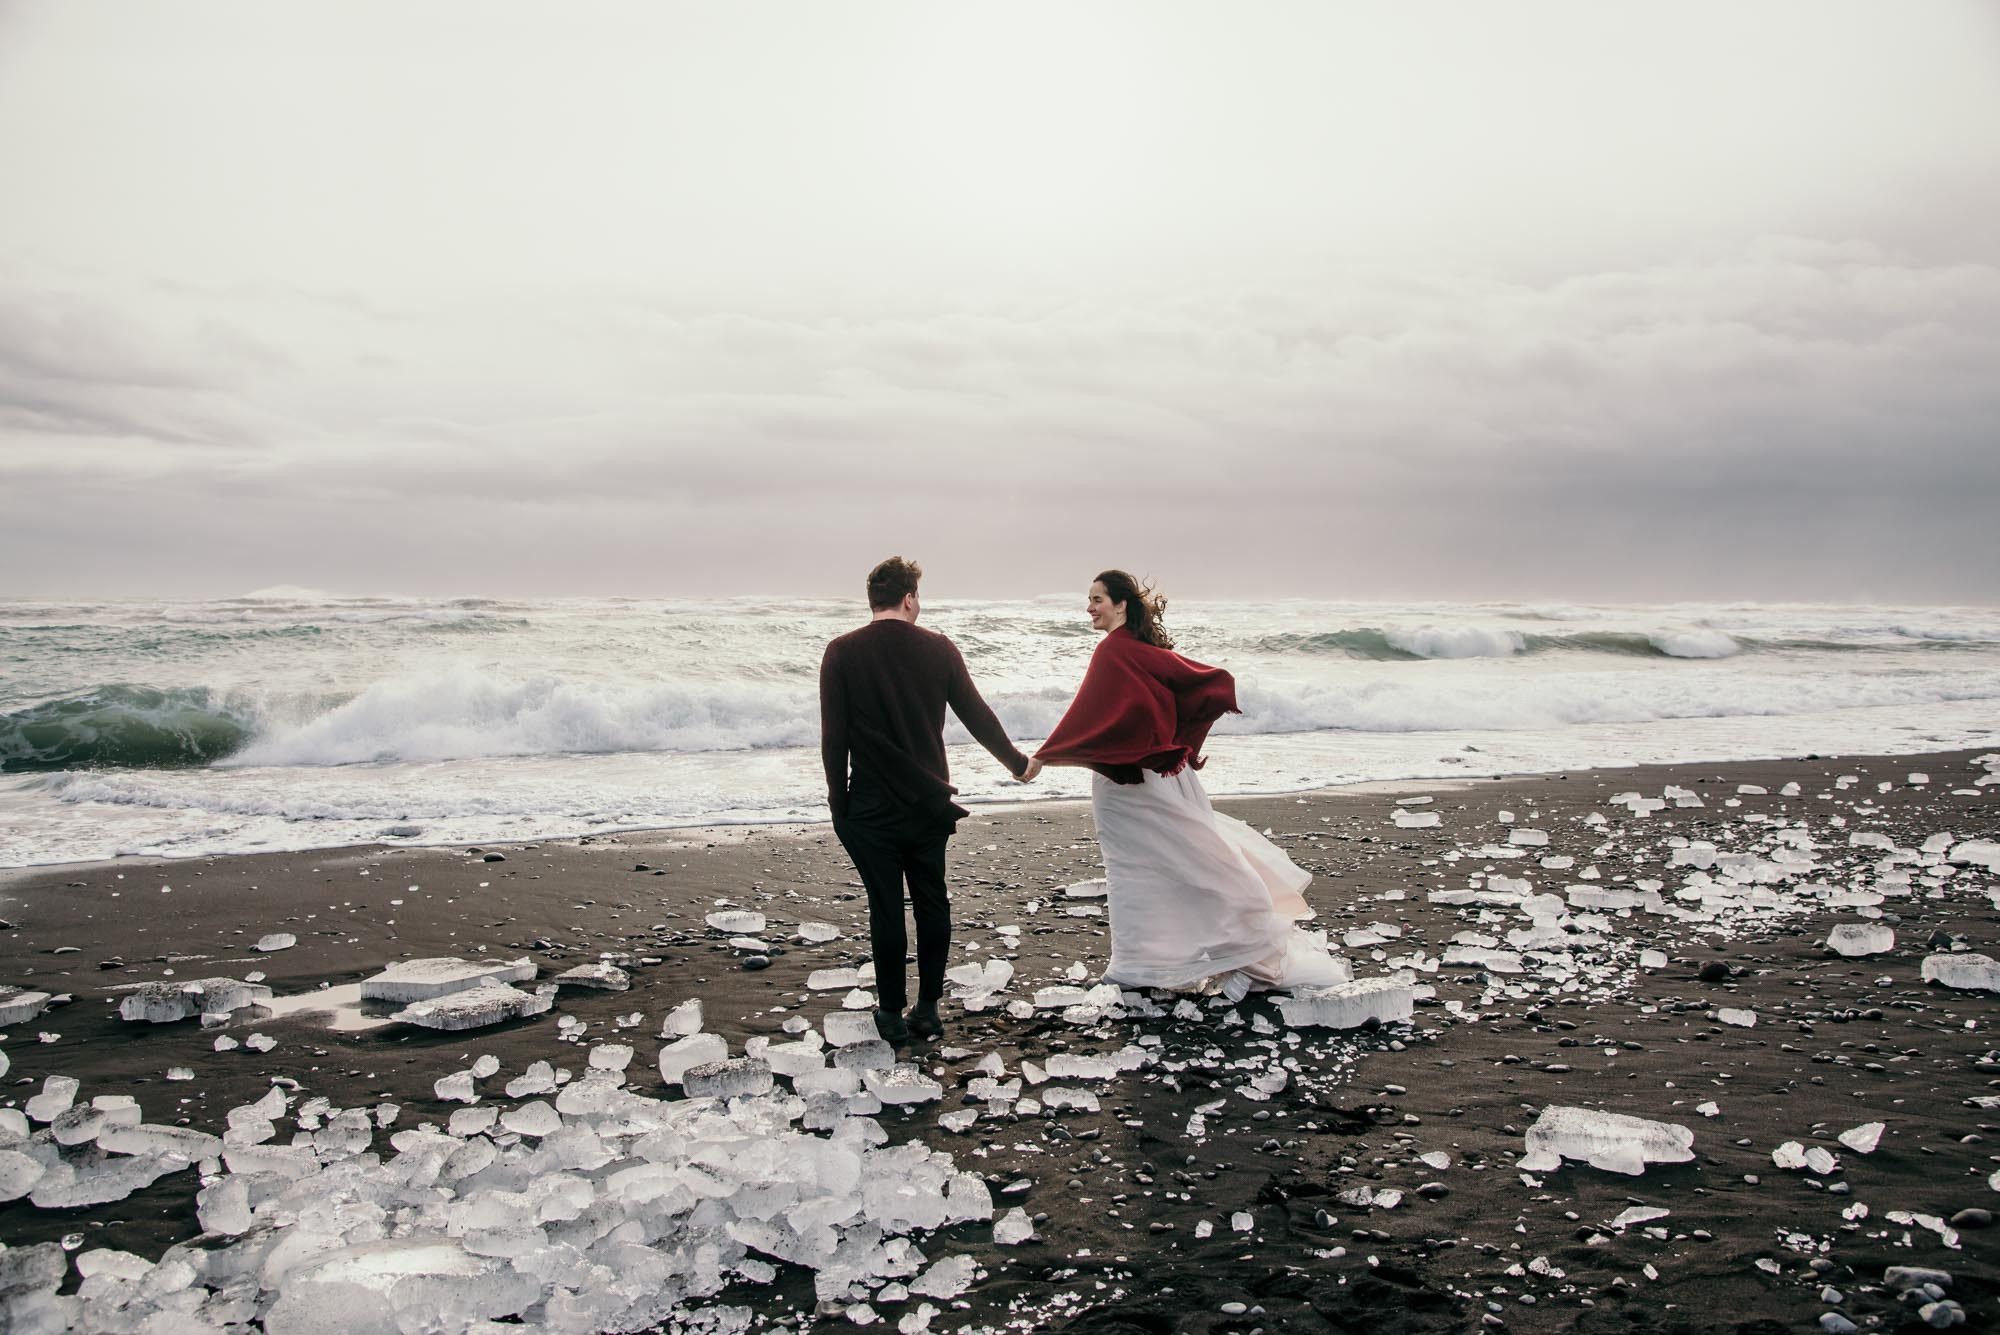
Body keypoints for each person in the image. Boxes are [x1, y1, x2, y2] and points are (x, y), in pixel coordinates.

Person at [1033, 570, 1343, 994]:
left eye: (1097, 599)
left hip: (1127, 783)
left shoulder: (1113, 653)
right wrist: (1179, 748)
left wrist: (1044, 756)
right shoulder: (1142, 650)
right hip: (1156, 776)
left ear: (1121, 604)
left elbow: (1088, 716)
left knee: (1134, 868)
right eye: (1089, 599)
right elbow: (1208, 685)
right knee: (1173, 862)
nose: (1089, 607)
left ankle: (1139, 965)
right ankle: (1154, 960)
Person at [819, 556, 1040, 1042]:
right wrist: (1017, 764)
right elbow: (977, 715)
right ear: (910, 598)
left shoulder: (841, 652)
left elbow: (833, 740)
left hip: (871, 806)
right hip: (928, 802)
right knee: (931, 902)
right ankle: (929, 1009)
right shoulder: (939, 650)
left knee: (884, 906)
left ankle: (891, 1015)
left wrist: (840, 807)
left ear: (871, 600)